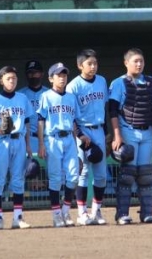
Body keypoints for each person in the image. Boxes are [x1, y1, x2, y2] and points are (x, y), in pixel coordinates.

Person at [108, 48, 152, 225]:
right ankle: (122, 214)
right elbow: (112, 110)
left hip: (148, 131)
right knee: (128, 174)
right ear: (126, 63)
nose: (139, 64)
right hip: (128, 129)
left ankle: (147, 213)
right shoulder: (119, 83)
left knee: (145, 174)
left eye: (141, 61)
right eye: (135, 61)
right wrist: (117, 135)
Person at [0, 65, 33, 229]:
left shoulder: (22, 98)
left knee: (18, 180)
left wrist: (28, 145)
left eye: (14, 78)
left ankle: (17, 218)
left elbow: (27, 122)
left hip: (19, 140)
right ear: (1, 81)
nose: (12, 81)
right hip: (2, 141)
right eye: (8, 78)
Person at [66, 49, 109, 225]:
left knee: (101, 175)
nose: (93, 67)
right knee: (83, 172)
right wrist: (80, 135)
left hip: (99, 129)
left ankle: (96, 211)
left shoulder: (102, 81)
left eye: (95, 63)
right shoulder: (73, 86)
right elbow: (70, 115)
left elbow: (104, 107)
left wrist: (107, 133)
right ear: (80, 65)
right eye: (89, 64)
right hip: (82, 130)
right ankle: (82, 213)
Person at [37, 62, 80, 227]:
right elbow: (41, 121)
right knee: (55, 178)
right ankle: (56, 214)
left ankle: (65, 211)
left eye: (64, 75)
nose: (62, 78)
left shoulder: (71, 97)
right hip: (52, 138)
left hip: (69, 138)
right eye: (59, 75)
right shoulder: (46, 96)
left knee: (73, 176)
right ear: (51, 78)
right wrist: (41, 143)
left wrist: (76, 142)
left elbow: (74, 121)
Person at [19, 59, 49, 156]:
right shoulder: (20, 95)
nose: (33, 75)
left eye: (36, 73)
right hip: (28, 139)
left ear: (42, 74)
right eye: (30, 73)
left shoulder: (49, 94)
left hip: (47, 138)